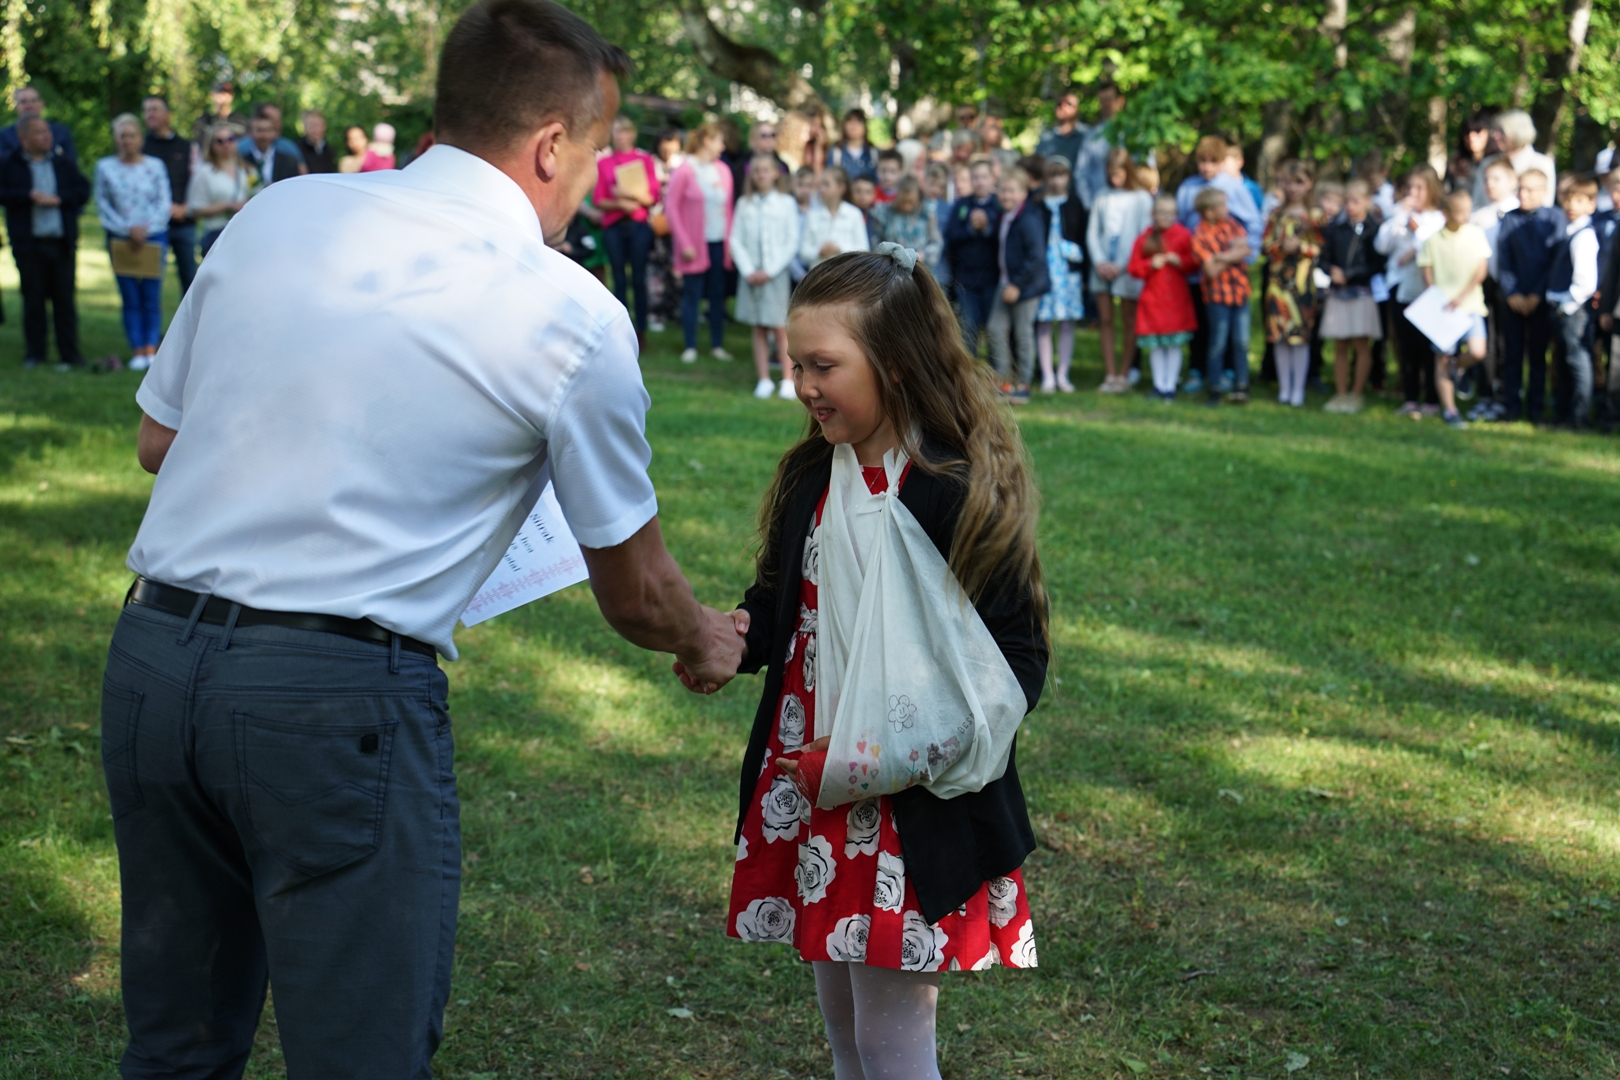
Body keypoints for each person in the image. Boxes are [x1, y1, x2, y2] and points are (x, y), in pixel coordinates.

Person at [107, 3, 750, 1076]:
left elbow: (157, 440)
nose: (595, 176)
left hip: (155, 662)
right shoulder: (572, 313)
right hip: (330, 701)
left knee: (176, 1046)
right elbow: (639, 593)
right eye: (596, 150)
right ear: (551, 144)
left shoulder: (282, 209)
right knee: (359, 1053)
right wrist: (707, 638)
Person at [727, 247, 1046, 1080]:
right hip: (818, 789)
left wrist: (887, 751)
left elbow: (1016, 660)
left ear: (896, 364)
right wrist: (736, 639)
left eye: (823, 365)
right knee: (845, 1030)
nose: (804, 385)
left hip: (909, 809)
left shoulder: (950, 489)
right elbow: (782, 599)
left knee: (891, 1044)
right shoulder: (812, 474)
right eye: (795, 364)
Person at [0, 115, 89, 369]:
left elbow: (82, 191)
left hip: (61, 243)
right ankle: (35, 354)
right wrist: (27, 196)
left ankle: (69, 354)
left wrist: (59, 199)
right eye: (39, 133)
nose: (47, 137)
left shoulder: (63, 162)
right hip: (29, 244)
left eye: (47, 131)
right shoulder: (9, 164)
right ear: (24, 139)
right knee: (33, 300)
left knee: (65, 301)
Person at [1175, 135, 1260, 395]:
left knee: (1230, 331)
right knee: (1201, 325)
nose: (1206, 167)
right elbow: (1180, 224)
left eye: (1213, 161)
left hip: (1230, 275)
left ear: (1222, 162)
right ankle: (1198, 370)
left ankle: (1229, 372)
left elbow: (1253, 225)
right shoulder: (1188, 187)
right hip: (1197, 267)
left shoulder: (1233, 188)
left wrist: (1235, 255)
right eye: (1202, 161)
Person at [96, 113, 171, 371]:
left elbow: (163, 201)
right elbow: (103, 204)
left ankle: (151, 348)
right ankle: (137, 349)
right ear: (116, 139)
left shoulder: (155, 166)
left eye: (131, 135)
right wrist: (127, 229)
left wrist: (145, 229)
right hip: (120, 238)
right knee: (130, 296)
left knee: (151, 295)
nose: (127, 140)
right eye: (122, 136)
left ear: (140, 138)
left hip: (153, 236)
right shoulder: (105, 167)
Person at [1376, 165, 1447, 417]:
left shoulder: (1438, 218)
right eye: (1409, 188)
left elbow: (1436, 245)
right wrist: (1399, 217)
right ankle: (1410, 397)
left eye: (1419, 188)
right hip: (1399, 287)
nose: (1413, 193)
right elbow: (1382, 245)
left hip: (1426, 289)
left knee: (1427, 346)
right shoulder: (1399, 215)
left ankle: (1431, 399)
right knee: (1406, 346)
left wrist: (1416, 243)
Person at [1417, 189, 1491, 429]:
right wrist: (1438, 299)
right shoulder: (1432, 241)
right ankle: (1450, 410)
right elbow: (1426, 273)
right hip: (1443, 309)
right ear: (1445, 213)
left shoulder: (1476, 234)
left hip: (1470, 305)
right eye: (1460, 212)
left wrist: (1461, 296)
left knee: (1478, 351)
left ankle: (1457, 367)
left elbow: (1481, 270)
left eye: (1468, 211)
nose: (1466, 216)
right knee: (1442, 357)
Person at [1495, 169, 1562, 424]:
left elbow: (1555, 261)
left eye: (1530, 190)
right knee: (1511, 354)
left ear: (1544, 192)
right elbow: (1504, 259)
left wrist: (1536, 294)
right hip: (1513, 299)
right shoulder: (1509, 218)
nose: (1523, 194)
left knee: (1538, 356)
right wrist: (1512, 292)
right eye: (1520, 189)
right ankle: (1511, 407)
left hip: (1541, 300)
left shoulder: (1555, 218)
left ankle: (1535, 409)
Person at [730, 153, 799, 399]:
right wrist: (749, 270)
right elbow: (736, 239)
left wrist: (769, 271)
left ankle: (788, 379)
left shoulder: (786, 203)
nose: (761, 174)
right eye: (756, 170)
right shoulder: (744, 203)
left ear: (776, 173)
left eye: (765, 170)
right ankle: (764, 379)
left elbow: (791, 241)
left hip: (775, 273)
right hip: (750, 273)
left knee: (779, 326)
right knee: (758, 327)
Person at [667, 121, 734, 363]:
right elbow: (671, 207)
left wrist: (729, 244)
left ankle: (717, 345)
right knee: (692, 294)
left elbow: (729, 208)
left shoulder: (723, 170)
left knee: (717, 294)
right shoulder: (685, 170)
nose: (722, 146)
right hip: (694, 245)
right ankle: (690, 345)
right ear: (707, 141)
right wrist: (684, 242)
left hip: (718, 242)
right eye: (719, 141)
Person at [1318, 179, 1385, 413]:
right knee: (1340, 344)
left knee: (1361, 344)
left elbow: (1377, 264)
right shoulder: (1336, 230)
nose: (1350, 206)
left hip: (1362, 292)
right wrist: (1332, 271)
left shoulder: (1374, 230)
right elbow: (1323, 258)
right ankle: (1340, 392)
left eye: (1355, 201)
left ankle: (1356, 393)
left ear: (1367, 202)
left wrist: (1350, 274)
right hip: (1338, 293)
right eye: (1346, 201)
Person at [1262, 160, 1325, 409]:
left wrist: (1302, 247)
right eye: (1289, 182)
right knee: (1279, 334)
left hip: (1303, 284)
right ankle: (1284, 388)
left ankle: (1298, 388)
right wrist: (1281, 246)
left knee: (1300, 336)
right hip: (1278, 283)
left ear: (1309, 184)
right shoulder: (1276, 214)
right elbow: (1265, 245)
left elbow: (1323, 247)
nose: (1293, 188)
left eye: (1299, 182)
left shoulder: (1315, 216)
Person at [1087, 147, 1151, 391]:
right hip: (1102, 266)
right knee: (1105, 319)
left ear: (1128, 171)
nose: (1115, 179)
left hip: (1128, 268)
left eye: (1120, 174)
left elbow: (1142, 236)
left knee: (1129, 320)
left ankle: (1124, 373)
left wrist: (1121, 264)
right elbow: (1093, 232)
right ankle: (1110, 373)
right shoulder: (1101, 196)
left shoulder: (1141, 198)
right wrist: (1099, 261)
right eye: (1111, 174)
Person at [594, 115, 660, 344]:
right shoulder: (605, 163)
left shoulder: (645, 160)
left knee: (639, 278)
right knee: (619, 279)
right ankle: (622, 331)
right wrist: (620, 204)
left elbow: (652, 198)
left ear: (632, 134)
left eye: (624, 131)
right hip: (614, 227)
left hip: (638, 226)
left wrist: (627, 194)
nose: (620, 136)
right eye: (616, 131)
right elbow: (599, 199)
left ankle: (641, 330)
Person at [1466, 157, 1520, 421]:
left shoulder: (1520, 212)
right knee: (1486, 341)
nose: (1490, 185)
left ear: (1512, 181)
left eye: (1496, 179)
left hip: (1512, 288)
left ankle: (1506, 395)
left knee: (1507, 343)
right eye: (1486, 180)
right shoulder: (1479, 216)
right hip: (1484, 286)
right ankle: (1485, 394)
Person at [1128, 194, 1197, 400]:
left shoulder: (1184, 236)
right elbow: (1133, 267)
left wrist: (1181, 262)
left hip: (1176, 300)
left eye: (1170, 213)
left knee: (1174, 344)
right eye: (1161, 213)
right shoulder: (1144, 238)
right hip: (1153, 300)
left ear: (1176, 214)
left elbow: (1194, 263)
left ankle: (1170, 386)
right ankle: (1159, 385)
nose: (1165, 217)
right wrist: (1149, 264)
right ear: (1153, 214)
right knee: (1156, 344)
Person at [988, 167, 1047, 404]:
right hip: (1005, 283)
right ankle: (1004, 381)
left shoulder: (1028, 219)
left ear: (1023, 193)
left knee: (1023, 333)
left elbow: (1036, 257)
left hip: (1025, 286)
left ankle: (1023, 384)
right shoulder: (1004, 215)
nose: (1006, 195)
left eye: (1012, 191)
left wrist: (1017, 285)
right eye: (1002, 190)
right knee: (995, 329)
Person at [1546, 174, 1600, 428]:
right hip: (1563, 307)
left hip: (1573, 310)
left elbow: (1586, 282)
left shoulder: (1584, 236)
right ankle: (1563, 414)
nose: (1571, 206)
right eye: (1568, 200)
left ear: (1591, 204)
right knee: (1564, 362)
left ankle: (1578, 417)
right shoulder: (1570, 231)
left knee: (1577, 362)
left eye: (1579, 201)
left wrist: (1566, 306)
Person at [1189, 187, 1252, 405]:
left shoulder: (1232, 224)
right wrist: (1232, 255)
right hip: (1217, 297)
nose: (1228, 209)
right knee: (1218, 342)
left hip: (1240, 292)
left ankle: (1242, 386)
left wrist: (1220, 256)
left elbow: (1246, 250)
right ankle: (1214, 387)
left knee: (1241, 341)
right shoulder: (1199, 235)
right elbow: (1211, 271)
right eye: (1223, 205)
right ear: (1209, 212)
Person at [1034, 157, 1085, 394]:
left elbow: (1082, 236)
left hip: (1068, 273)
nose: (1057, 180)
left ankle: (1063, 373)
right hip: (1044, 272)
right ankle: (1047, 375)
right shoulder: (1037, 204)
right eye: (1052, 175)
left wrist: (1079, 262)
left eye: (1061, 175)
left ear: (1068, 177)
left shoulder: (1075, 203)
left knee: (1066, 323)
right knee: (1044, 322)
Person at [139, 96, 197, 296]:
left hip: (183, 222)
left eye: (154, 109)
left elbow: (196, 180)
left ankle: (192, 318)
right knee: (150, 281)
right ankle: (151, 318)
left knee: (190, 280)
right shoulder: (141, 147)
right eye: (146, 110)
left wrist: (186, 208)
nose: (149, 114)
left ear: (168, 114)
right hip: (150, 225)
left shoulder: (187, 147)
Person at [942, 159, 1001, 356]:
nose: (980, 182)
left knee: (994, 330)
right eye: (975, 177)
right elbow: (951, 236)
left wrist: (987, 227)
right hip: (966, 279)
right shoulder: (962, 205)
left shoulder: (999, 204)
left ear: (992, 179)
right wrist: (971, 228)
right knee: (968, 328)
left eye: (984, 177)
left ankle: (998, 371)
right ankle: (969, 370)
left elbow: (1006, 239)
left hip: (993, 278)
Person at [188, 123, 249, 258]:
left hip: (245, 233)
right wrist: (228, 206)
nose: (226, 144)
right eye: (219, 141)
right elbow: (195, 209)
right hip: (216, 234)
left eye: (230, 139)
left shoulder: (246, 170)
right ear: (211, 146)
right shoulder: (205, 173)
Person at [799, 165, 869, 275]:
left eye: (826, 184)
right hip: (819, 275)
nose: (821, 189)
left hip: (846, 275)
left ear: (841, 188)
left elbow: (864, 249)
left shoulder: (854, 214)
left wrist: (839, 249)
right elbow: (804, 250)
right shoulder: (812, 215)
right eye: (821, 184)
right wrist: (819, 251)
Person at [1479, 110, 1555, 208]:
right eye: (1495, 131)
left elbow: (1545, 206)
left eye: (1501, 131)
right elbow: (1477, 202)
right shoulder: (1487, 163)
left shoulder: (1542, 164)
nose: (1495, 135)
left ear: (1518, 133)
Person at [1074, 81, 1127, 209]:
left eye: (1109, 99)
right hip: (1101, 205)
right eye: (1101, 100)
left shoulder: (1135, 133)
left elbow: (1146, 169)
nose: (1105, 104)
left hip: (1131, 205)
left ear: (1120, 101)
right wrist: (1089, 204)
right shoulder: (1091, 136)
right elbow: (1081, 174)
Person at [870, 175, 940, 269]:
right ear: (897, 195)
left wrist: (924, 255)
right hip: (891, 268)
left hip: (921, 266)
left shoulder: (926, 213)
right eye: (903, 201)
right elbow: (876, 242)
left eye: (911, 201)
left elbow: (936, 242)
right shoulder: (884, 213)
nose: (907, 206)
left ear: (918, 196)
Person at [0, 85, 78, 164]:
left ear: (42, 103)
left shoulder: (61, 132)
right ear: (16, 107)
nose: (29, 105)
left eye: (34, 100)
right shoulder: (4, 136)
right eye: (23, 102)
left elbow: (71, 164)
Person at [239, 109, 303, 191]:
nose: (264, 135)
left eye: (267, 130)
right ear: (251, 132)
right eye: (259, 130)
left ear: (274, 132)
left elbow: (296, 188)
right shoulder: (242, 160)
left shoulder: (289, 161)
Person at [731, 119, 789, 202]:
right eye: (764, 135)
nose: (769, 139)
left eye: (773, 135)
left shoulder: (782, 166)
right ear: (753, 138)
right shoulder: (742, 165)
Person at [1034, 88, 1085, 173]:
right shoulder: (1046, 138)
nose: (1063, 107)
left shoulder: (1087, 136)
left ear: (1077, 109)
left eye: (1069, 104)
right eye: (1059, 104)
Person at [1449, 109, 1494, 195]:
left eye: (1477, 131)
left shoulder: (1498, 161)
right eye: (1467, 133)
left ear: (1488, 133)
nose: (1471, 137)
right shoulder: (1454, 165)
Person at [827, 108, 876, 180]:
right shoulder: (835, 152)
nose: (853, 126)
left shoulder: (874, 153)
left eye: (858, 121)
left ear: (865, 126)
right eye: (849, 121)